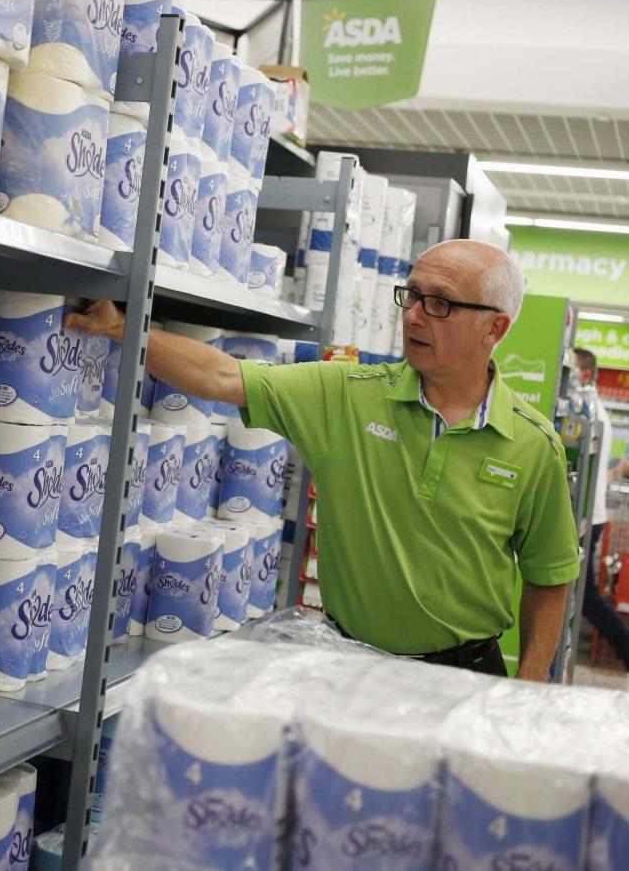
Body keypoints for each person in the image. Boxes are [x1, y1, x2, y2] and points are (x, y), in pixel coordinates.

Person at [66, 240, 579, 679]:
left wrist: (525, 690)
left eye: (440, 303)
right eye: (412, 294)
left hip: (464, 679)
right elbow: (222, 376)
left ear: (495, 328)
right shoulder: (346, 395)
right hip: (351, 669)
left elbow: (549, 577)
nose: (414, 315)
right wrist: (121, 328)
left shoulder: (533, 446)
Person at [573, 348, 629, 672]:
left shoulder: (589, 411)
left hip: (586, 519)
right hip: (590, 516)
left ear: (584, 374)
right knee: (584, 597)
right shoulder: (596, 411)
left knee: (587, 598)